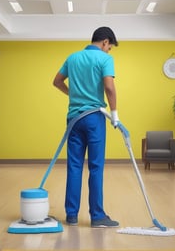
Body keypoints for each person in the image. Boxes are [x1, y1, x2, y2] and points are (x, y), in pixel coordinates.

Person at [53, 26, 120, 228]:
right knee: (96, 167)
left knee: (74, 166)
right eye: (109, 47)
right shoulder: (104, 58)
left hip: (73, 118)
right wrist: (115, 114)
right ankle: (97, 216)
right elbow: (109, 87)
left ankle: (71, 215)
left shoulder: (72, 58)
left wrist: (73, 95)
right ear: (105, 42)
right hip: (94, 118)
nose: (108, 51)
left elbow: (56, 82)